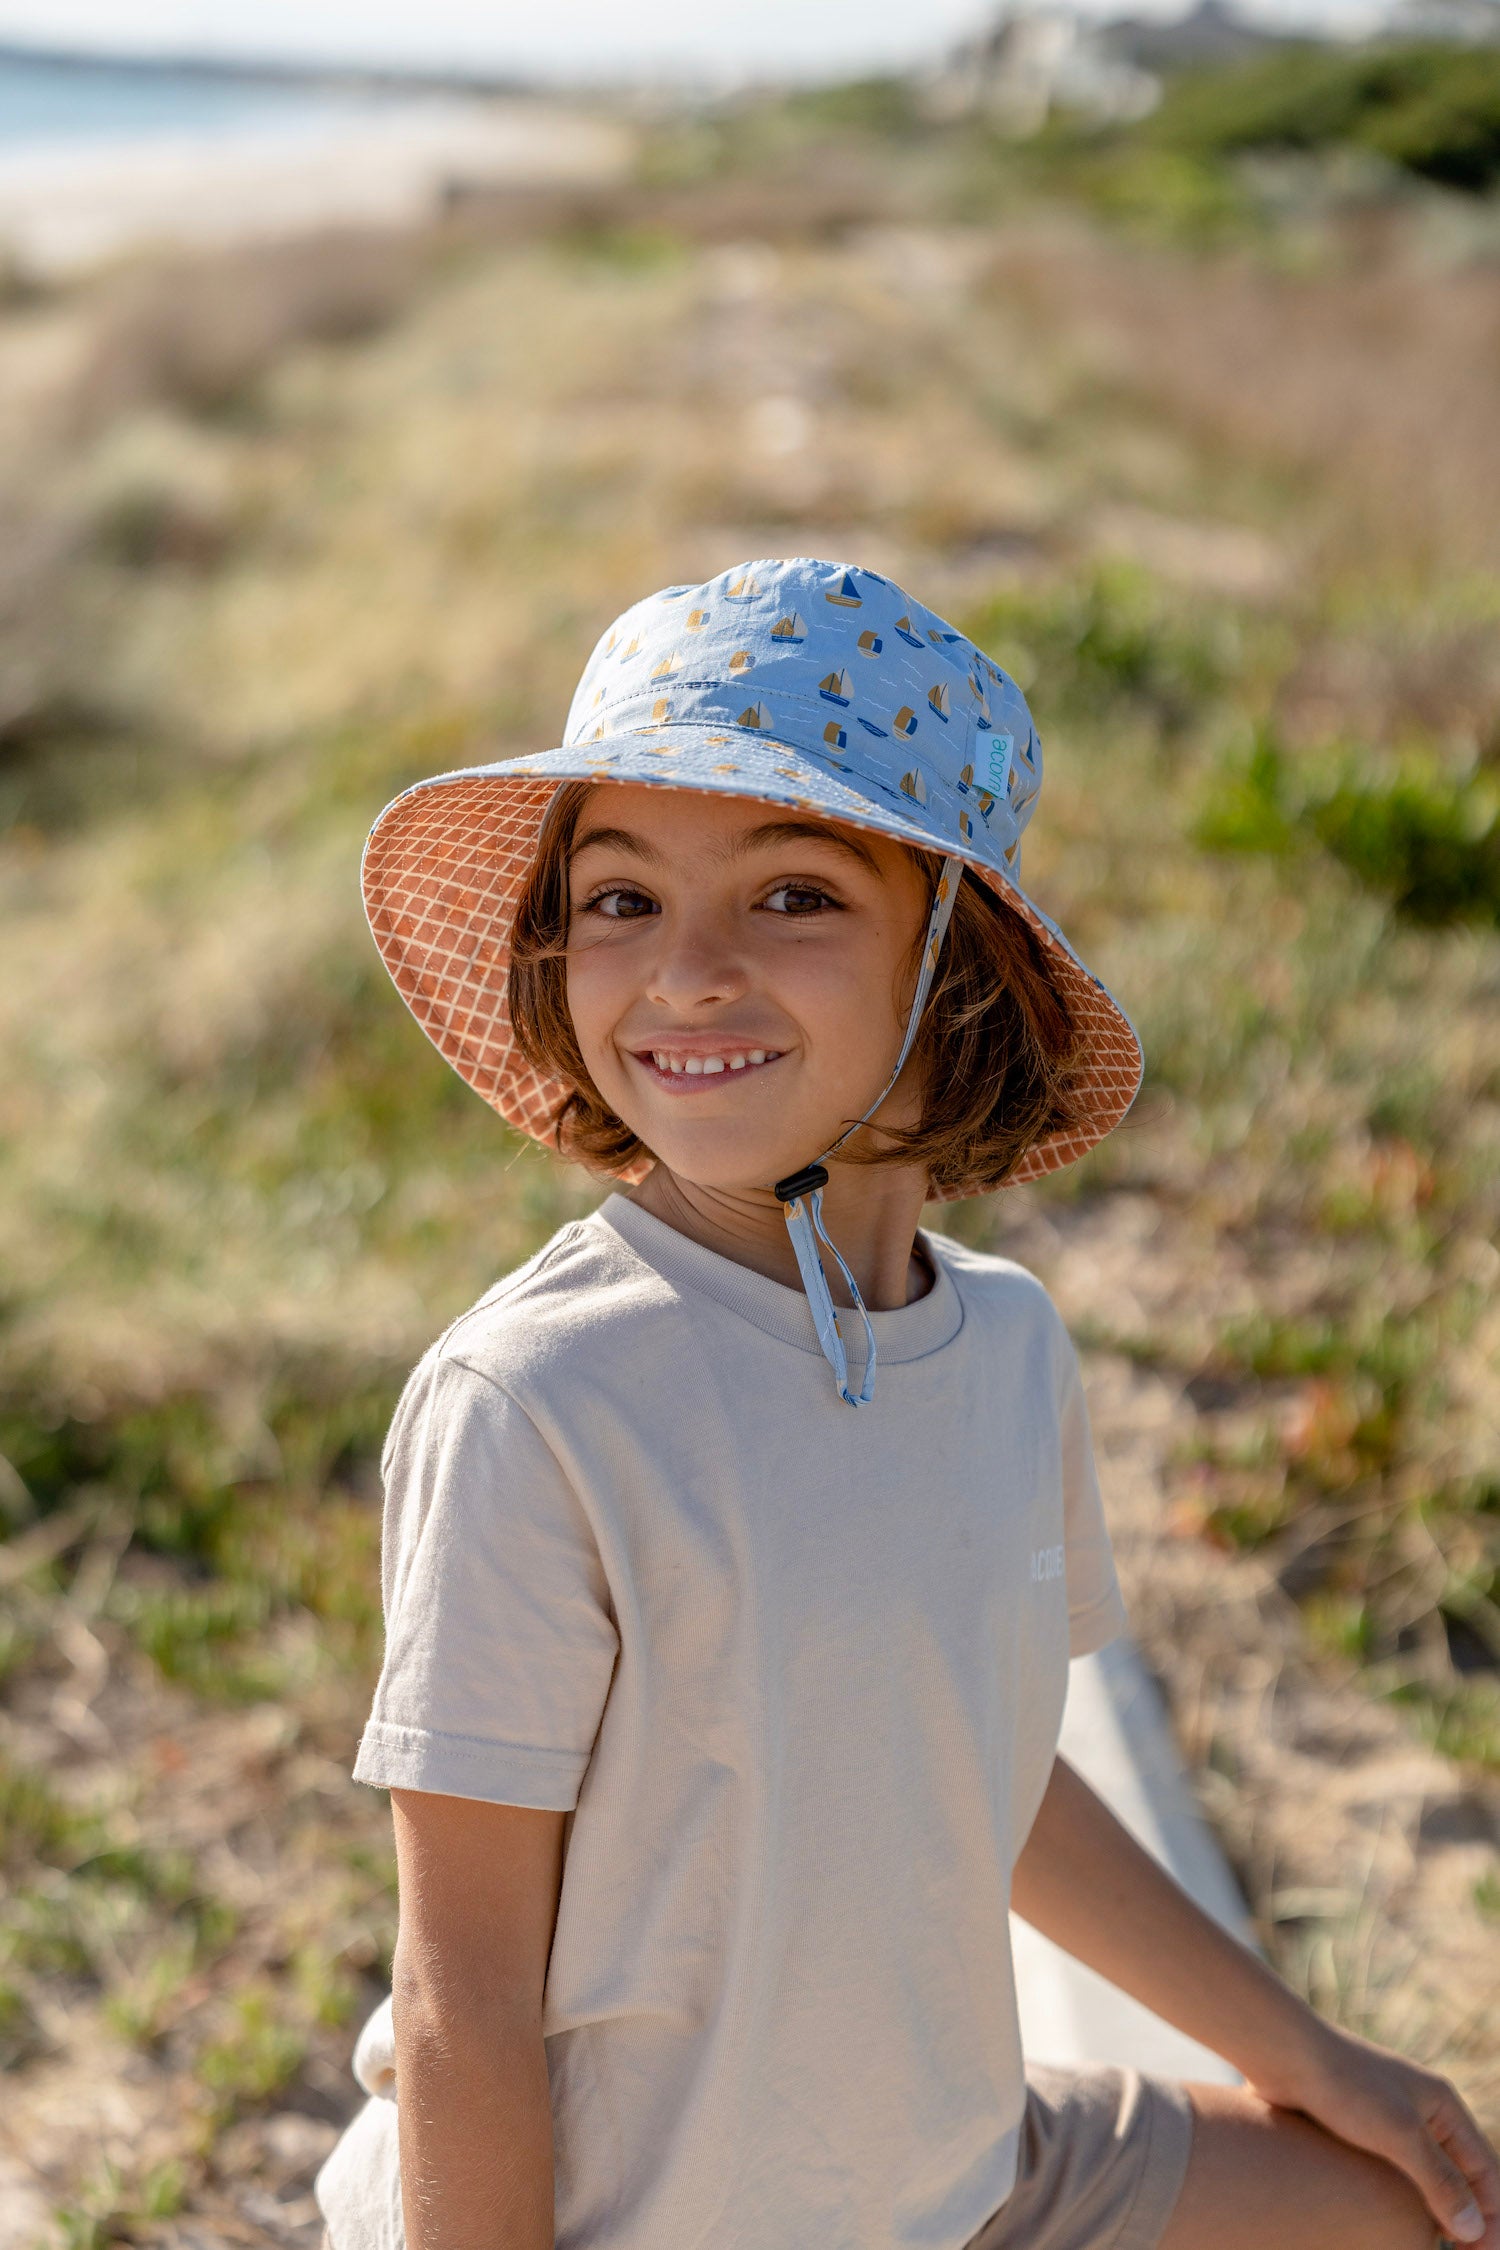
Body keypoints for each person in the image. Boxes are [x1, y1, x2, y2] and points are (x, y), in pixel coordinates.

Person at [315, 557, 1497, 2250]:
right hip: (634, 2215)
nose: (685, 973)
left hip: (954, 2174)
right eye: (623, 898)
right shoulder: (544, 1397)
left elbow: (978, 1769)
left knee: (1413, 2200)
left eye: (793, 895)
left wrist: (1310, 2054)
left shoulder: (1007, 1348)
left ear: (957, 961)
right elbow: (464, 1999)